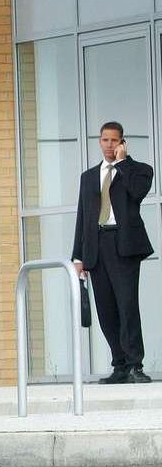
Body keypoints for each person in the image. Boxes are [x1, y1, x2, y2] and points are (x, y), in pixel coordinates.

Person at [72, 121, 153, 384]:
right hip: (96, 247)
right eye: (105, 140)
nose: (109, 145)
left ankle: (135, 365)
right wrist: (78, 256)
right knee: (106, 311)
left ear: (122, 142)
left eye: (114, 140)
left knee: (127, 306)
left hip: (124, 246)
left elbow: (137, 193)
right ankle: (120, 366)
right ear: (99, 141)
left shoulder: (139, 171)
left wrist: (122, 162)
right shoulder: (88, 177)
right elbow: (83, 217)